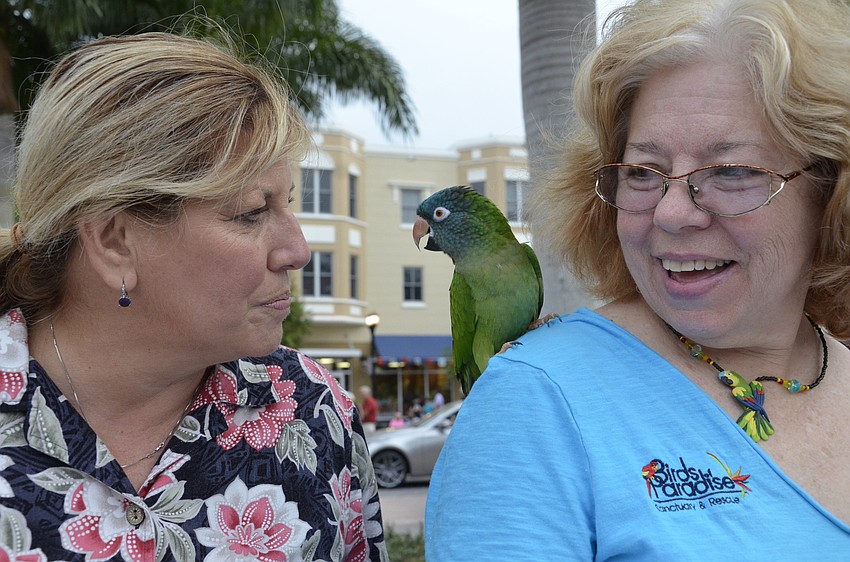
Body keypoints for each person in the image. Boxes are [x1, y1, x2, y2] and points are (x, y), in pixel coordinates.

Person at [426, 0, 850, 559]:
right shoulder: (534, 399)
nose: (673, 214)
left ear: (829, 191)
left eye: (730, 172)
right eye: (643, 173)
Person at [0, 29, 388, 560]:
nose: (297, 249)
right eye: (252, 212)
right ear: (115, 240)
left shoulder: (314, 409)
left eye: (288, 204)